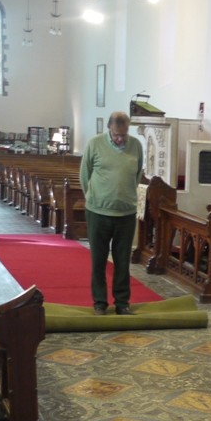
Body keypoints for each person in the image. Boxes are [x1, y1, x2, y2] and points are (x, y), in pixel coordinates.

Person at [80, 111, 144, 315]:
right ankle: (99, 302)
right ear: (109, 128)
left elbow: (137, 174)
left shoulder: (136, 146)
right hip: (98, 212)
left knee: (122, 260)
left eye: (123, 135)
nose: (120, 139)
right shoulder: (94, 144)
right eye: (117, 134)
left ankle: (122, 302)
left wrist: (125, 198)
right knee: (98, 260)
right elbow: (84, 175)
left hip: (125, 213)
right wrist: (94, 199)